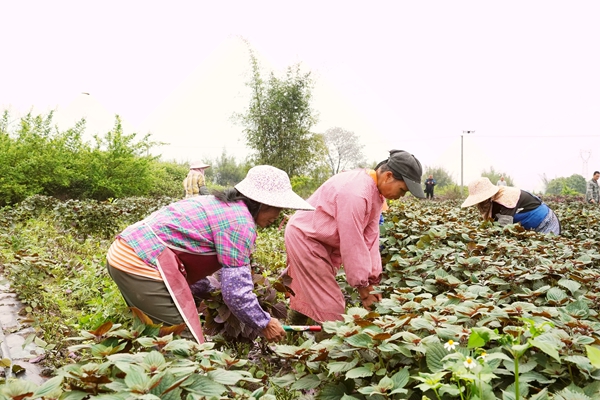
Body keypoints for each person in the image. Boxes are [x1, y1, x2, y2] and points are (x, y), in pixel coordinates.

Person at [107, 165, 314, 344]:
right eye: (277, 209)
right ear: (262, 203)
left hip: (124, 253)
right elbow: (236, 293)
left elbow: (186, 256)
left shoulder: (222, 205)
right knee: (184, 344)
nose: (277, 217)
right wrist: (265, 322)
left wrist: (209, 290)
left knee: (154, 335)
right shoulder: (240, 223)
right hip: (142, 263)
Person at [284, 150, 425, 324]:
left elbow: (370, 240)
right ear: (388, 176)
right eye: (402, 190)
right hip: (306, 237)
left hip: (322, 240)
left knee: (314, 292)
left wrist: (372, 281)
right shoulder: (356, 192)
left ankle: (291, 331)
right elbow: (353, 242)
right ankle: (326, 348)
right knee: (331, 305)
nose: (400, 196)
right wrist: (362, 286)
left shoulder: (375, 194)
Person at [461, 177, 560, 235]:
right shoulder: (493, 201)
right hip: (531, 228)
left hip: (547, 224)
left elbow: (504, 227)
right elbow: (493, 223)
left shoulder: (506, 197)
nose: (480, 204)